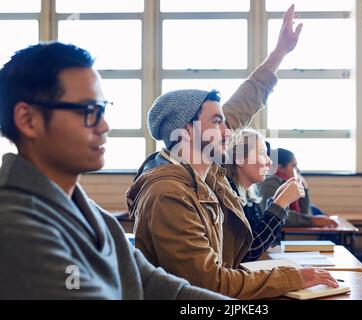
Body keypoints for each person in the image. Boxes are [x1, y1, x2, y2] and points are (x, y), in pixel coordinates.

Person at [127, 5, 338, 300]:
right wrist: (292, 278)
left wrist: (280, 52)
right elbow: (211, 285)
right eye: (217, 122)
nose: (228, 131)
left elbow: (243, 103)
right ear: (186, 131)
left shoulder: (203, 162)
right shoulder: (168, 194)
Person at [0, 42, 228, 300]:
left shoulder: (93, 215)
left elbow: (159, 287)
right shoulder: (17, 227)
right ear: (29, 121)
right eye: (89, 111)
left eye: (103, 109)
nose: (105, 125)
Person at [224, 129, 303, 262]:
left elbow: (263, 240)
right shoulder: (228, 197)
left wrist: (277, 200)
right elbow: (248, 253)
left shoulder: (249, 196)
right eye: (262, 153)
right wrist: (280, 204)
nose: (269, 162)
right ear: (239, 159)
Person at [258, 147, 338, 228]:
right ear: (280, 168)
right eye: (294, 166)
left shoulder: (288, 183)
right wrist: (311, 220)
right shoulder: (270, 182)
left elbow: (305, 213)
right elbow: (275, 213)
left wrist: (304, 188)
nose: (298, 170)